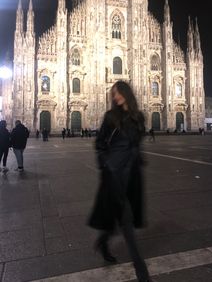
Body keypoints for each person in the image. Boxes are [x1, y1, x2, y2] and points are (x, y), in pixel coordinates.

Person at [88, 81, 151, 282]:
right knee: (126, 222)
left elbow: (136, 143)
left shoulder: (139, 117)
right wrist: (105, 164)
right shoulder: (110, 117)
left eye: (118, 93)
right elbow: (99, 143)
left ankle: (103, 241)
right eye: (113, 94)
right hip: (114, 175)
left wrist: (138, 158)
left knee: (116, 216)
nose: (115, 97)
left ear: (126, 93)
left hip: (131, 175)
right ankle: (142, 273)